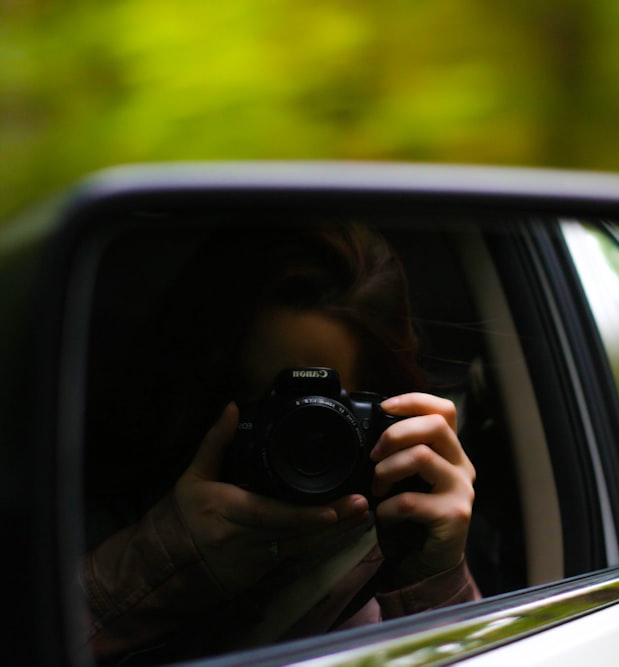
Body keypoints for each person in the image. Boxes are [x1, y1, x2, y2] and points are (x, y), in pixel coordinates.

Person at [80, 221, 479, 665]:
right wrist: (167, 560)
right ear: (196, 391)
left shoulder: (385, 556)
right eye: (258, 403)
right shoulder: (96, 512)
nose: (291, 436)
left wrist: (433, 578)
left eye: (323, 411)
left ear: (383, 418)